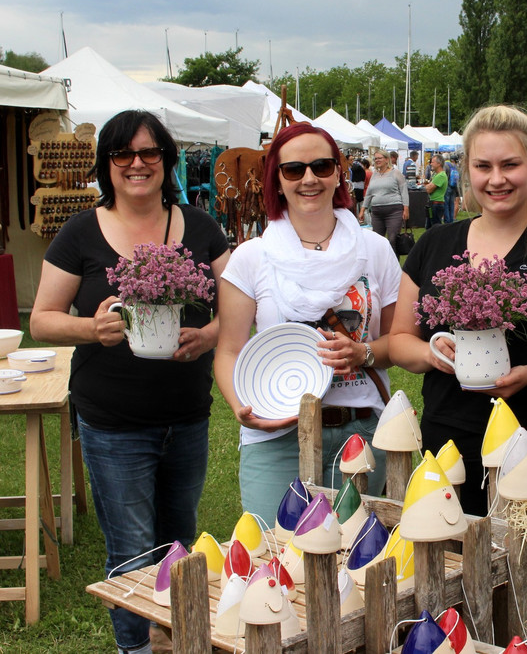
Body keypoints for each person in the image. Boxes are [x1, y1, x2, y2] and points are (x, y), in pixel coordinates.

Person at [390, 104, 527, 653]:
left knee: (525, 596)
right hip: (449, 443)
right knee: (445, 593)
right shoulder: (435, 244)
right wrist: (433, 352)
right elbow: (399, 341)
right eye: (483, 166)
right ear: (465, 168)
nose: (497, 179)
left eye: (509, 164)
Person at [30, 110, 229, 654]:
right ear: (107, 164)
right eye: (122, 153)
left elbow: (239, 307)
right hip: (113, 420)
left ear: (166, 161)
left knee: (178, 544)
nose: (136, 164)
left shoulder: (201, 227)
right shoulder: (81, 231)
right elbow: (42, 319)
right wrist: (91, 329)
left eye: (149, 153)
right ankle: (136, 647)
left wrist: (209, 335)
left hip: (186, 415)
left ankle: (179, 638)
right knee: (132, 551)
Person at [214, 123, 402, 524]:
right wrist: (241, 407)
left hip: (361, 431)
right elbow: (228, 350)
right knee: (276, 552)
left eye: (321, 166)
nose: (309, 178)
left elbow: (397, 342)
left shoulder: (375, 250)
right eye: (294, 169)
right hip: (278, 434)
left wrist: (363, 352)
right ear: (277, 180)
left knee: (356, 553)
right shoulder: (252, 257)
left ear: (338, 174)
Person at [365, 148, 410, 255]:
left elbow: (404, 191)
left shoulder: (396, 173)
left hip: (394, 211)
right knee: (377, 241)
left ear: (386, 159)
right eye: (375, 159)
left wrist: (406, 208)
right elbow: (369, 192)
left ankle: (393, 263)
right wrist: (363, 208)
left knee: (393, 240)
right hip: (376, 212)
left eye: (379, 158)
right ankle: (379, 263)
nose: (377, 160)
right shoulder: (374, 174)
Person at [424, 154, 448, 229]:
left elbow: (428, 190)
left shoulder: (441, 176)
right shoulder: (436, 175)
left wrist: (427, 186)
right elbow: (428, 187)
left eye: (432, 162)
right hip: (433, 203)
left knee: (435, 227)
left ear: (439, 164)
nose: (431, 164)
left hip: (436, 204)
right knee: (429, 227)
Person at [350, 152, 367, 222]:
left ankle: (357, 218)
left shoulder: (352, 168)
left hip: (355, 187)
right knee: (359, 204)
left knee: (355, 204)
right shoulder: (361, 168)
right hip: (360, 187)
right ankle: (360, 219)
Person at [443, 156, 460, 223]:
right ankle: (451, 220)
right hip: (454, 187)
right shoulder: (456, 167)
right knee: (452, 204)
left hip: (447, 186)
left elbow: (444, 176)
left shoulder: (446, 165)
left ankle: (447, 221)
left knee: (446, 204)